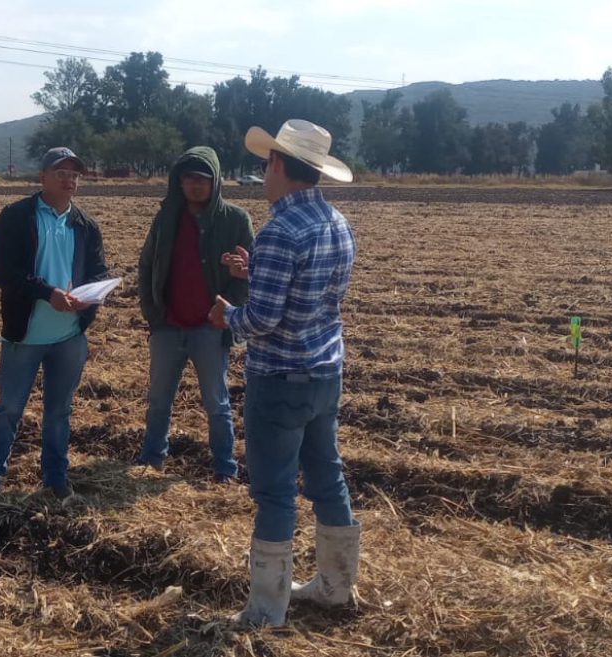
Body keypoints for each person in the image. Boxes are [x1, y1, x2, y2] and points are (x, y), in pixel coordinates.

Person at [209, 120, 361, 626]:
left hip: (279, 380)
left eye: (265, 162)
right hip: (324, 374)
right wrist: (259, 273)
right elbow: (313, 294)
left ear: (278, 164)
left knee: (274, 492)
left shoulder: (279, 230)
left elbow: (261, 320)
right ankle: (335, 587)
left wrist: (225, 314)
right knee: (327, 478)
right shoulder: (336, 222)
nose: (263, 171)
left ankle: (265, 608)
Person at [0, 147, 109, 499]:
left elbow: (98, 271)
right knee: (9, 409)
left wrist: (90, 300)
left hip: (69, 338)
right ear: (43, 177)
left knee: (59, 413)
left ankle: (55, 477)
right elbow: (4, 271)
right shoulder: (17, 216)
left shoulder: (85, 225)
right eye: (61, 173)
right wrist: (46, 293)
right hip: (26, 335)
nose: (69, 180)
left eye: (74, 174)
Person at [136, 147, 254, 482]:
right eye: (189, 178)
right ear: (179, 182)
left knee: (216, 403)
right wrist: (152, 312)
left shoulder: (235, 220)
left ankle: (224, 468)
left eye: (203, 178)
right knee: (159, 400)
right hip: (167, 327)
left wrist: (225, 313)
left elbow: (249, 275)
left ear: (215, 181)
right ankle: (152, 459)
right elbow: (146, 264)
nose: (195, 184)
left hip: (210, 328)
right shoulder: (167, 217)